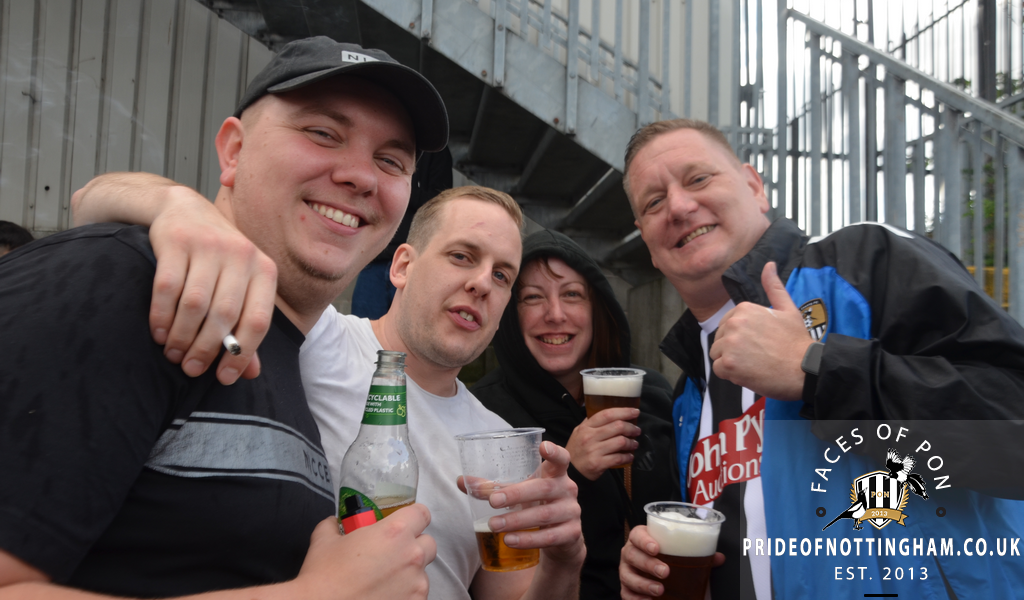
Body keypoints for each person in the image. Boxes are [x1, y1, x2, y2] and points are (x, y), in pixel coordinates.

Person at [0, 36, 449, 599]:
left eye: (390, 161)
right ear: (234, 151)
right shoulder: (121, 277)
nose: (362, 176)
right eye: (322, 133)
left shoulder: (295, 351)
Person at [73, 183, 587, 600]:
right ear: (402, 266)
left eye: (502, 275)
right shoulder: (313, 338)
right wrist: (180, 207)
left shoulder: (497, 442)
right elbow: (90, 200)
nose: (481, 283)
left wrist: (565, 561)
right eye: (461, 256)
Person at [618, 118, 1024, 599]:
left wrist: (817, 369)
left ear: (754, 187)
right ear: (647, 243)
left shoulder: (865, 260)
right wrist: (653, 571)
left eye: (698, 178)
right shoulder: (689, 393)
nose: (679, 207)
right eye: (654, 202)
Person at [471, 228, 680, 599]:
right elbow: (494, 562)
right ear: (511, 313)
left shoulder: (653, 394)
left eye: (571, 294)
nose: (555, 314)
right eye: (533, 297)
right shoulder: (485, 413)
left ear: (598, 308)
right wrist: (571, 471)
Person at [351, 147, 453, 319]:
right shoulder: (384, 144)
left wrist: (402, 189)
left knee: (409, 330)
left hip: (412, 263)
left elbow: (441, 204)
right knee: (362, 329)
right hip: (374, 259)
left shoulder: (437, 151)